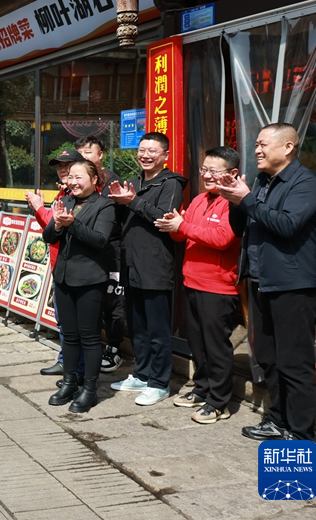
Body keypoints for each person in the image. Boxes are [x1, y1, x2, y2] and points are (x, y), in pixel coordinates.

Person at [217, 123, 316, 441]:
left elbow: (288, 224)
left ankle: (301, 433)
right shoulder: (263, 181)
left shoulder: (305, 182)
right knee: (268, 357)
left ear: (288, 147)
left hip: (293, 284)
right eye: (256, 145)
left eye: (264, 144)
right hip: (262, 281)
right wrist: (233, 199)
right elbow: (244, 226)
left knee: (294, 361)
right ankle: (277, 420)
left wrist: (246, 199)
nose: (257, 150)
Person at [155, 146, 242, 424]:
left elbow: (222, 238)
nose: (205, 175)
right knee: (198, 344)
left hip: (218, 286)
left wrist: (183, 226)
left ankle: (219, 402)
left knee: (216, 347)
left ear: (232, 174)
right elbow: (184, 236)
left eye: (213, 171)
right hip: (191, 280)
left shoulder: (234, 202)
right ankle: (202, 388)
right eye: (203, 169)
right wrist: (174, 225)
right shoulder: (198, 199)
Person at [108, 132, 187, 406]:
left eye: (152, 151)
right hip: (131, 263)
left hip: (155, 265)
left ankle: (159, 382)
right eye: (142, 150)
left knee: (157, 328)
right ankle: (141, 374)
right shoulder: (134, 182)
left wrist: (132, 202)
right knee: (138, 325)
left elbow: (164, 217)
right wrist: (118, 203)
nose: (145, 155)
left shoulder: (172, 182)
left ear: (165, 155)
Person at [42, 160, 115, 413]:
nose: (72, 181)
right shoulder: (67, 201)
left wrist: (72, 223)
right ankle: (70, 382)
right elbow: (48, 236)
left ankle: (90, 389)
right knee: (69, 336)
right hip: (63, 277)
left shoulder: (105, 205)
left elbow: (100, 240)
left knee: (90, 337)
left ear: (95, 180)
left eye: (78, 177)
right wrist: (59, 224)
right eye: (70, 177)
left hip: (90, 280)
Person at [25, 150, 83, 380]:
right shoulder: (62, 193)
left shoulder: (81, 196)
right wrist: (39, 209)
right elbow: (50, 228)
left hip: (73, 266)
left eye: (68, 165)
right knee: (63, 320)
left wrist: (40, 208)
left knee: (74, 324)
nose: (63, 170)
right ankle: (66, 362)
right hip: (58, 263)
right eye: (59, 166)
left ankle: (76, 370)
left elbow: (58, 222)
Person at [75, 136, 125, 373]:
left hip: (111, 249)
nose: (84, 156)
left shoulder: (112, 181)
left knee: (113, 302)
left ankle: (114, 349)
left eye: (88, 152)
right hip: (86, 249)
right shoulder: (76, 181)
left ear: (101, 154)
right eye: (80, 152)